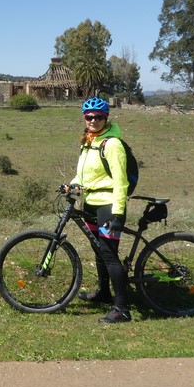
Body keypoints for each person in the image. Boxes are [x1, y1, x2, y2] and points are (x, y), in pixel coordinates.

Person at [66, 97, 132, 324]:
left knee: (110, 256)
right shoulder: (88, 142)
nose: (93, 120)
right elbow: (83, 176)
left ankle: (122, 309)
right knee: (99, 252)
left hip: (108, 205)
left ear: (106, 118)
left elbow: (121, 182)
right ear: (84, 118)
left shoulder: (112, 144)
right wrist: (72, 185)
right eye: (89, 116)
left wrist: (118, 212)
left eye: (98, 117)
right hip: (91, 203)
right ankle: (104, 293)